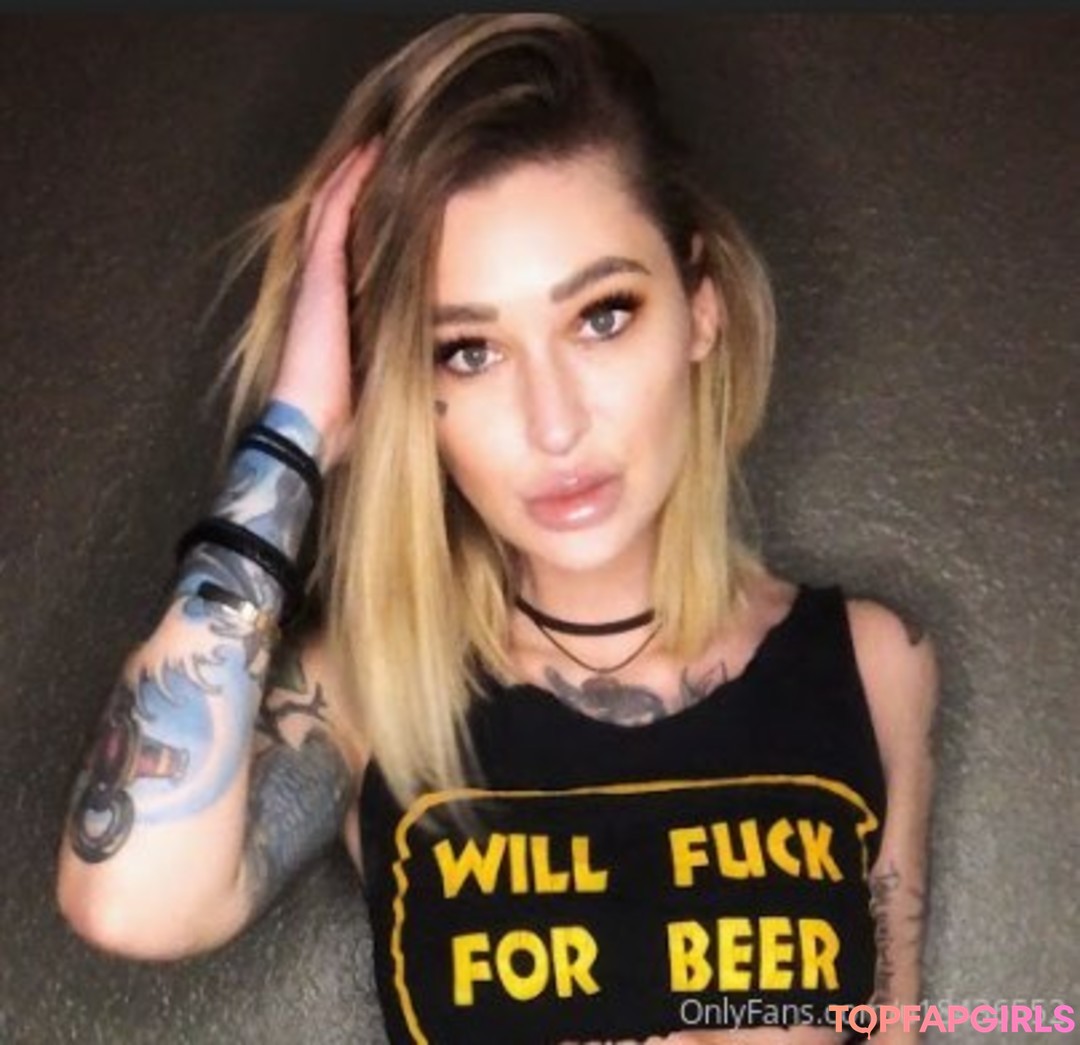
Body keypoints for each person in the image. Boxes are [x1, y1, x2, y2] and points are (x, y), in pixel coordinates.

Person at [56, 13, 937, 1044]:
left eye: (602, 315)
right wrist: (297, 430)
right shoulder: (371, 692)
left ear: (700, 308)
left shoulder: (874, 664)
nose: (553, 423)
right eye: (468, 351)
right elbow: (129, 900)